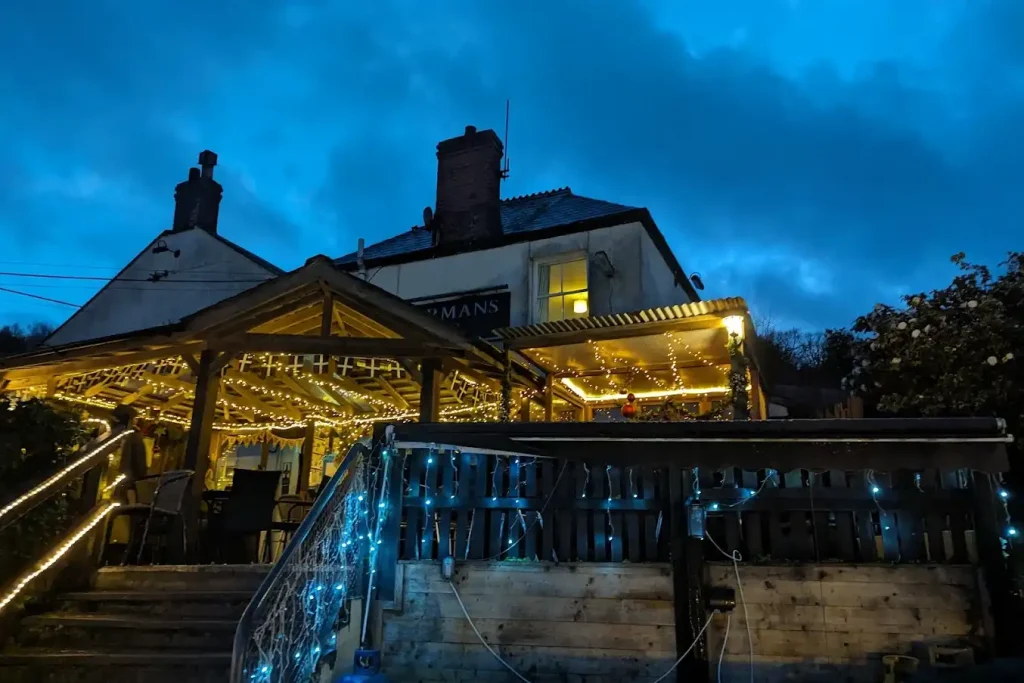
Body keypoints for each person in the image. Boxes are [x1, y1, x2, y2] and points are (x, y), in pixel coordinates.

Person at [112, 405, 148, 502]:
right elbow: (140, 463)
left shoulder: (111, 434)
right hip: (126, 481)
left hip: (119, 480)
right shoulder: (135, 438)